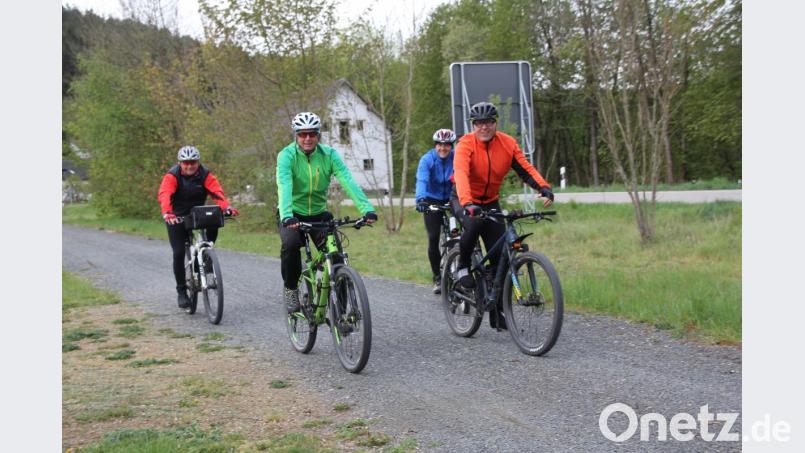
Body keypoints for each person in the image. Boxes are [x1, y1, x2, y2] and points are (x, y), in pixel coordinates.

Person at [451, 102, 554, 329]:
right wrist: (468, 203)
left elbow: (525, 169)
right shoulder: (465, 145)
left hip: (490, 201)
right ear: (473, 125)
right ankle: (463, 265)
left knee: (500, 260)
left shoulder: (507, 144)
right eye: (479, 123)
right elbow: (461, 174)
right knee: (473, 224)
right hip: (463, 198)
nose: (484, 127)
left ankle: (497, 314)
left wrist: (543, 187)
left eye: (488, 122)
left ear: (495, 123)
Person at [276, 112, 378, 313]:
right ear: (296, 135)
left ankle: (342, 314)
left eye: (312, 134)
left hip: (319, 214)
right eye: (302, 134)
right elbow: (284, 185)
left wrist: (367, 210)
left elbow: (347, 180)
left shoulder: (329, 155)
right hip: (292, 213)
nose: (307, 138)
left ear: (318, 135)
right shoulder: (286, 156)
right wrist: (287, 215)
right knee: (291, 244)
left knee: (336, 257)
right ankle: (291, 288)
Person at [158, 145, 239, 309]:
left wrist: (226, 208)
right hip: (176, 216)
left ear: (198, 162)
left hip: (197, 213)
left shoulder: (205, 174)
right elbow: (165, 194)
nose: (189, 166)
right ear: (180, 163)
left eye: (193, 162)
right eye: (186, 163)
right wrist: (167, 212)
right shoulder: (172, 176)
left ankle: (206, 255)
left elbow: (217, 192)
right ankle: (182, 291)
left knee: (215, 219)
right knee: (178, 252)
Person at [415, 128, 457, 294]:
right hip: (431, 199)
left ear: (451, 146)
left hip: (453, 197)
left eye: (446, 145)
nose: (443, 148)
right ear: (435, 145)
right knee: (433, 237)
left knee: (460, 234)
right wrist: (421, 199)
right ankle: (437, 277)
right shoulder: (427, 159)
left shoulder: (456, 158)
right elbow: (422, 180)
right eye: (439, 144)